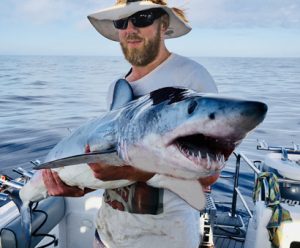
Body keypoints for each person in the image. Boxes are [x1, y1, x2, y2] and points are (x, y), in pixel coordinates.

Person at [42, 0, 220, 247]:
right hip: (107, 234)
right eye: (122, 22)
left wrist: (133, 171)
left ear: (163, 24)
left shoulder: (191, 78)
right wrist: (80, 186)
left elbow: (211, 172)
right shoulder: (117, 87)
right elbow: (111, 165)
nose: (130, 28)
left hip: (165, 238)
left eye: (143, 17)